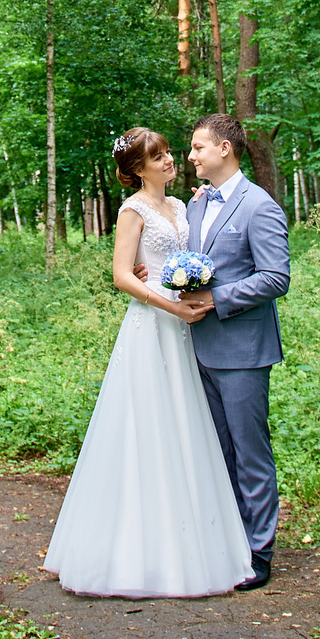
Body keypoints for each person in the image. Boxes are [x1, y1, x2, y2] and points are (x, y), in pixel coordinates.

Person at [41, 126, 254, 598]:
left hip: (185, 327)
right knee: (146, 427)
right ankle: (134, 550)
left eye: (167, 152)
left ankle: (194, 540)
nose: (168, 160)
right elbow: (121, 275)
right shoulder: (131, 210)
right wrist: (169, 301)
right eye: (155, 156)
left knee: (187, 427)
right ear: (137, 169)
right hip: (153, 324)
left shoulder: (183, 205)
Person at [179, 111, 289, 590]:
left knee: (250, 452)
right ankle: (227, 538)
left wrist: (216, 299)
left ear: (224, 149)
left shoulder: (258, 206)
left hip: (243, 348)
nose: (190, 156)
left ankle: (259, 550)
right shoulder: (198, 204)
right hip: (197, 347)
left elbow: (275, 277)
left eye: (198, 147)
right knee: (217, 450)